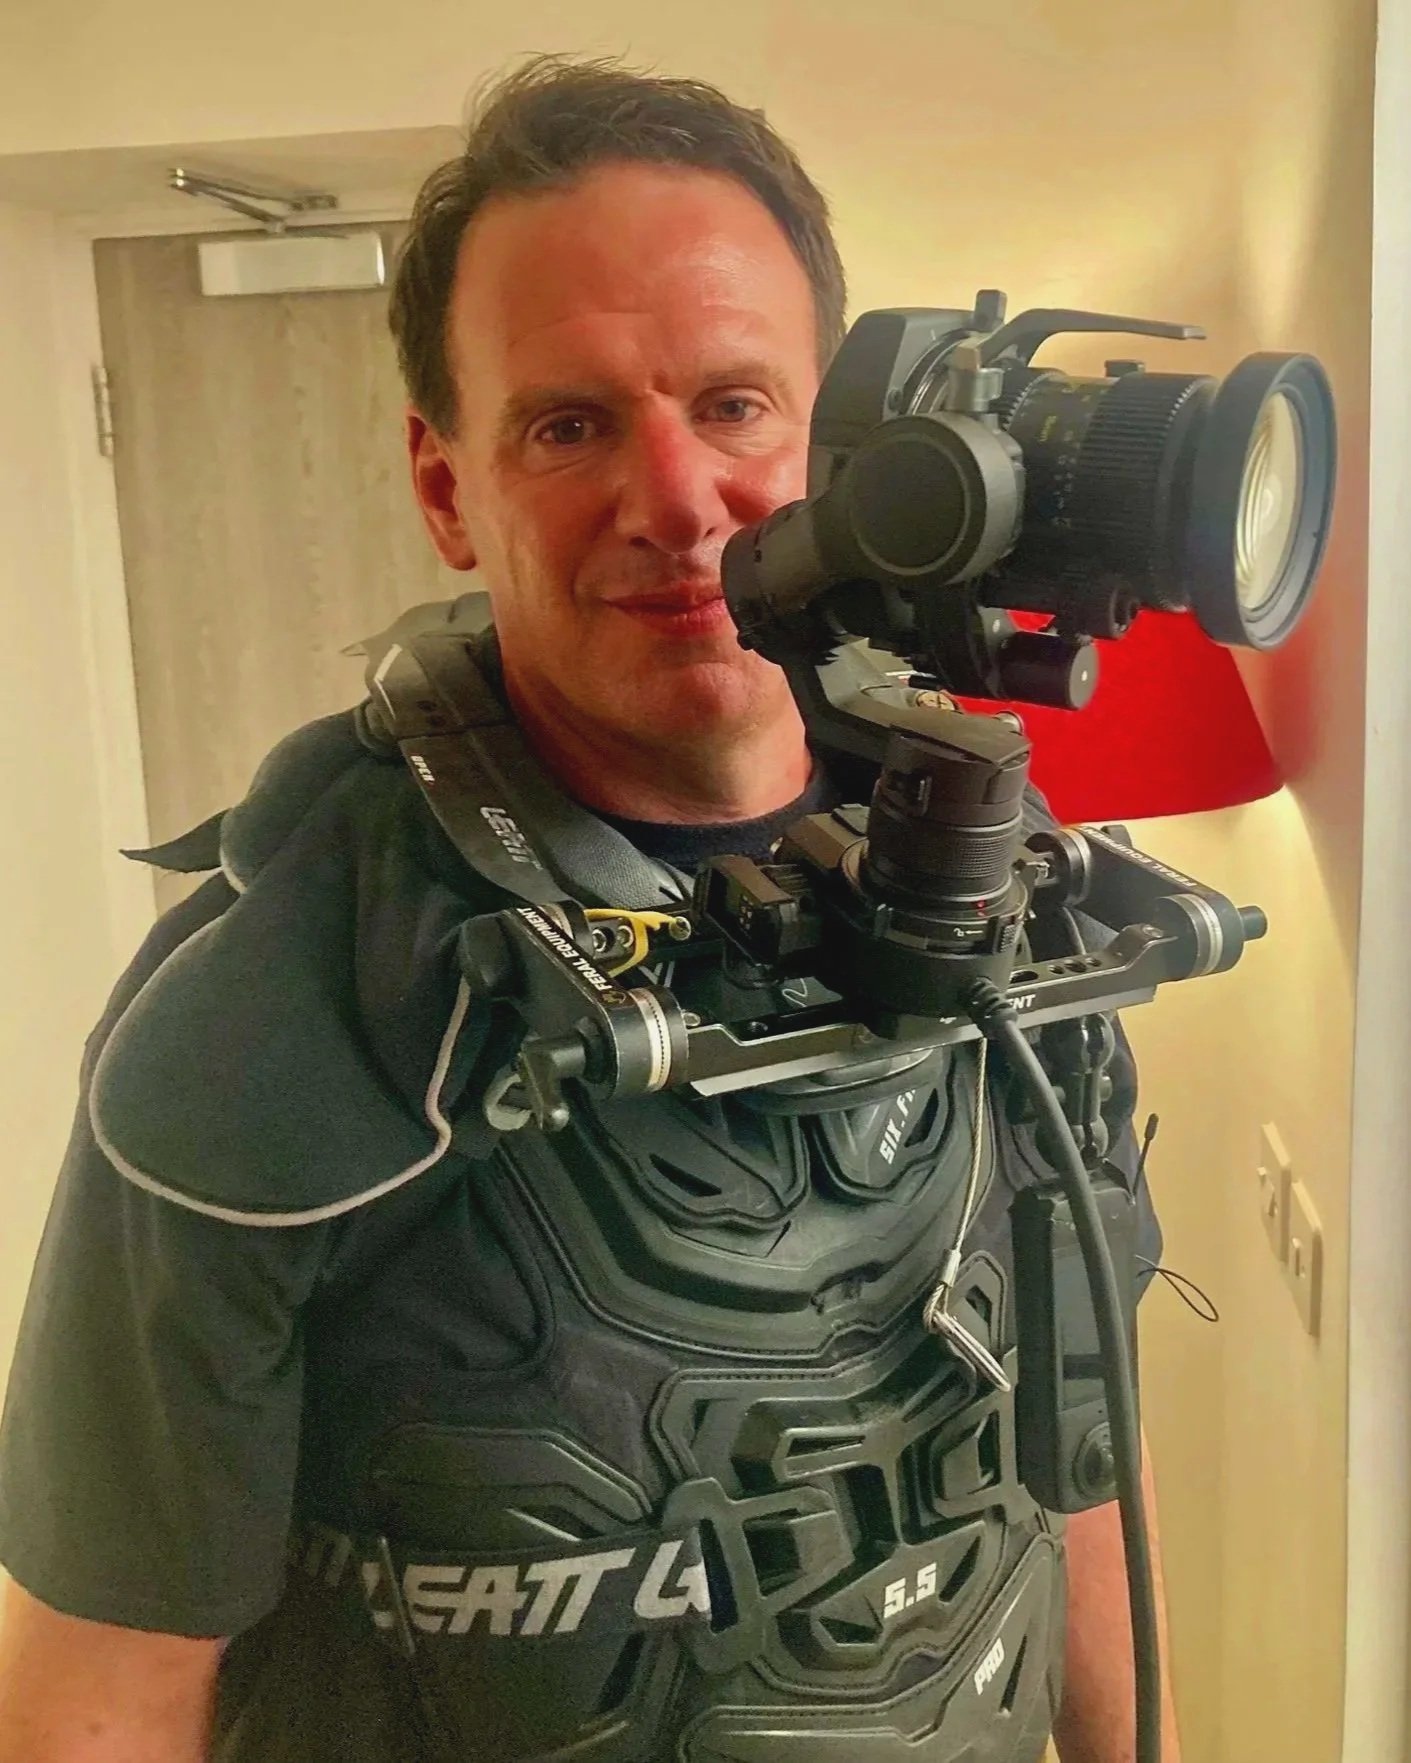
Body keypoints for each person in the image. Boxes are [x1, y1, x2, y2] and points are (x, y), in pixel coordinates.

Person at [0, 55, 1181, 1763]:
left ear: (834, 440)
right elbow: (99, 1695)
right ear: (442, 483)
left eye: (734, 405)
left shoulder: (1009, 897)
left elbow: (1084, 1472)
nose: (678, 503)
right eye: (569, 424)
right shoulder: (275, 1010)